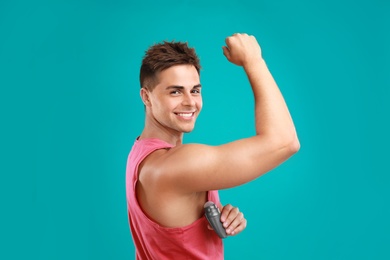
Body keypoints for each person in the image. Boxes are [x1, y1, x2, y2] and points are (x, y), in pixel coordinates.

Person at [126, 33, 300, 259]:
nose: (190, 102)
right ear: (146, 97)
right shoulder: (174, 166)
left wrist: (209, 215)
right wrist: (254, 61)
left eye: (195, 90)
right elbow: (285, 142)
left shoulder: (141, 153)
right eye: (175, 91)